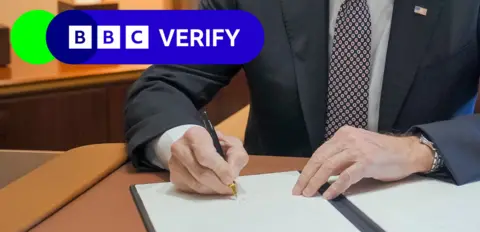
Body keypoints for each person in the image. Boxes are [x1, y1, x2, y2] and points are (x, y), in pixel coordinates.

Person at [124, 0, 480, 199]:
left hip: (422, 205)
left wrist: (417, 151)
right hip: (275, 208)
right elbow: (164, 82)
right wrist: (180, 143)